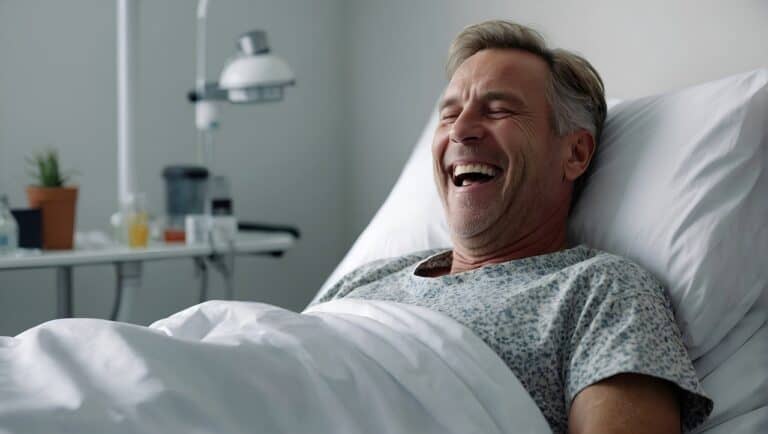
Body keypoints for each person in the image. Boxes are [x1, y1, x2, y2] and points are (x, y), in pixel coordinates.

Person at [313, 20, 712, 434]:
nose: (461, 131)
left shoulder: (599, 291)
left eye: (498, 110)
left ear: (574, 153)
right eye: (448, 115)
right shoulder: (364, 280)